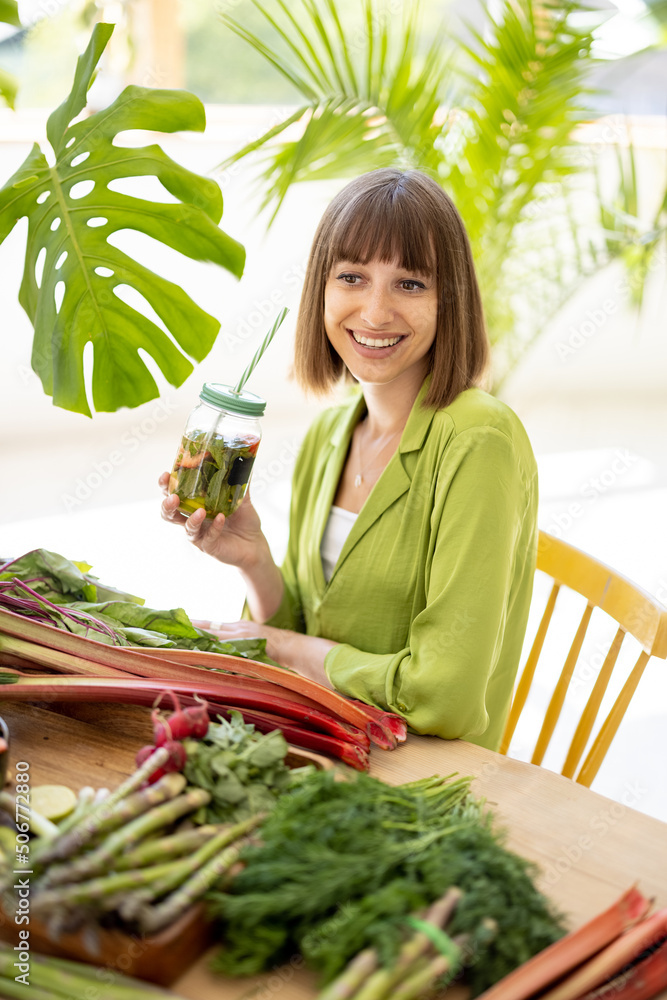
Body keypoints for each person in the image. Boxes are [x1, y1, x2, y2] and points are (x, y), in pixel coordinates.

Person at [160, 168, 538, 751]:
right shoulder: (329, 435)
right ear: (322, 290)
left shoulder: (478, 439)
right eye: (353, 277)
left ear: (449, 300)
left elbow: (447, 696)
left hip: (419, 783)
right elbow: (303, 635)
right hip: (320, 747)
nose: (376, 311)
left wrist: (292, 650)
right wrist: (255, 560)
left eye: (410, 283)